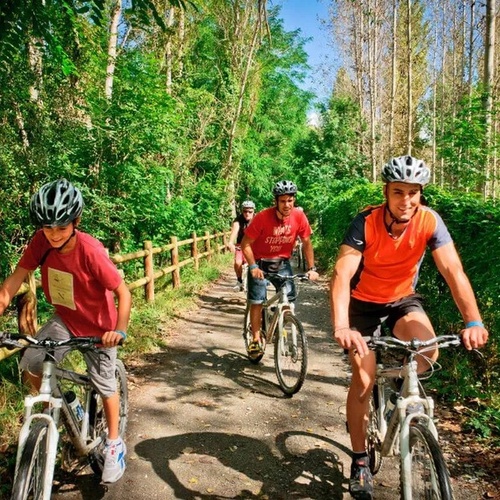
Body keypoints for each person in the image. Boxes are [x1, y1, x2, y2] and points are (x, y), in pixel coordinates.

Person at [329, 155, 489, 499]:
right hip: (362, 306)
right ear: (386, 192)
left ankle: (399, 393)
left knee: (427, 350)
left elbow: (453, 272)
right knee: (365, 378)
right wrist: (342, 325)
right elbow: (342, 275)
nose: (406, 200)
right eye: (399, 192)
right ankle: (359, 461)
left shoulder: (430, 221)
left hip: (402, 300)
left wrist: (473, 321)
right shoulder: (365, 223)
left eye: (413, 192)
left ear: (421, 193)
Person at [0, 179, 132, 484]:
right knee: (32, 362)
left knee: (104, 385)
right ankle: (57, 410)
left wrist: (119, 331)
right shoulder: (40, 243)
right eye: (47, 228)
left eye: (61, 227)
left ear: (76, 222)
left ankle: (114, 444)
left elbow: (123, 293)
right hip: (66, 319)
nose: (54, 235)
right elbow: (14, 280)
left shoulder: (90, 250)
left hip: (101, 328)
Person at [241, 180, 319, 356]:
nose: (287, 205)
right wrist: (253, 266)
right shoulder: (262, 217)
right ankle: (255, 339)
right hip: (260, 263)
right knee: (257, 301)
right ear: (276, 201)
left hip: (282, 264)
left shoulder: (299, 217)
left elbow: (307, 242)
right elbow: (246, 243)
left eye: (290, 200)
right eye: (283, 201)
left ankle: (281, 320)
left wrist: (312, 268)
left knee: (289, 300)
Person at [228, 200, 256, 291]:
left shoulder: (257, 219)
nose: (247, 214)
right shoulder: (238, 220)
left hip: (254, 245)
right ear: (242, 211)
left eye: (250, 212)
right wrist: (231, 242)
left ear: (253, 211)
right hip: (241, 245)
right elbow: (235, 230)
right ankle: (239, 280)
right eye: (245, 211)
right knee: (238, 263)